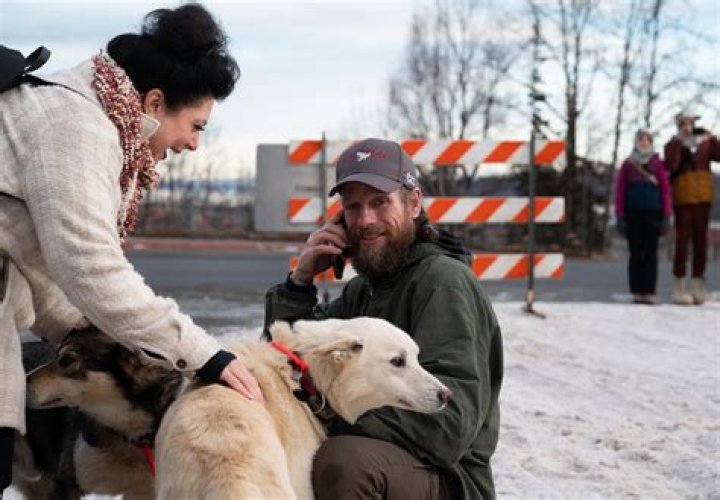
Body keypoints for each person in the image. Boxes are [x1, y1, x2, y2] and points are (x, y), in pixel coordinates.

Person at [0, 4, 263, 494]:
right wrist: (205, 356)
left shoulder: (88, 119)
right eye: (196, 125)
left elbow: (34, 256)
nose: (193, 144)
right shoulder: (75, 127)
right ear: (155, 102)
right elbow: (91, 267)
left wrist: (78, 327)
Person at [264, 138, 503, 499]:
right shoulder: (365, 289)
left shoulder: (442, 283)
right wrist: (300, 282)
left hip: (447, 477)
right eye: (353, 207)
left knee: (342, 462)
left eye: (379, 202)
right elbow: (289, 362)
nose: (365, 220)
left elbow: (451, 421)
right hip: (391, 458)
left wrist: (331, 420)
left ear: (413, 203)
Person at [664, 111, 720, 305]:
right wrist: (679, 143)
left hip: (703, 197)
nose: (687, 127)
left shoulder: (705, 142)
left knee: (700, 244)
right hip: (683, 198)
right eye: (683, 123)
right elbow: (671, 165)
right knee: (682, 243)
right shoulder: (673, 144)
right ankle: (679, 288)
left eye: (690, 123)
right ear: (679, 125)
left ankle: (698, 289)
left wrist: (713, 138)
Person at [614, 129, 672, 304]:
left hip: (653, 213)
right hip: (632, 213)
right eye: (640, 139)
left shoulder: (658, 164)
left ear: (651, 143)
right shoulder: (628, 164)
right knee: (635, 253)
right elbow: (620, 190)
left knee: (651, 253)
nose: (643, 142)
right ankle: (636, 291)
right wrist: (619, 215)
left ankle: (649, 291)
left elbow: (665, 190)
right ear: (636, 142)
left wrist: (666, 215)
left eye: (646, 140)